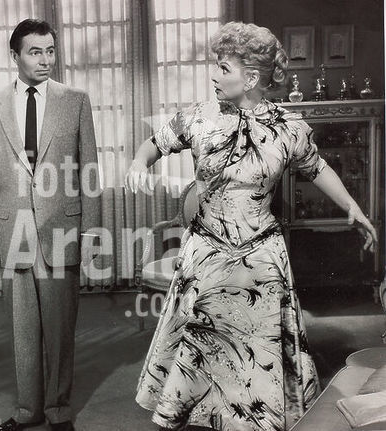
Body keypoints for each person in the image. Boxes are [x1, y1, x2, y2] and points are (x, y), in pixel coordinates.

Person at [126, 21, 377, 431]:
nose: (214, 75)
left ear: (252, 78)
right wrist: (139, 161)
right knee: (201, 350)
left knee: (257, 358)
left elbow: (318, 168)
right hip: (206, 255)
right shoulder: (197, 118)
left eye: (223, 67)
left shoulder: (286, 127)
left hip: (261, 257)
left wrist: (355, 208)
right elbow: (153, 145)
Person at [0, 19, 101, 431]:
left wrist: (91, 231)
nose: (46, 60)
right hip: (12, 230)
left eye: (50, 51)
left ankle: (58, 410)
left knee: (60, 330)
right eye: (35, 52)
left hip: (62, 230)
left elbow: (89, 170)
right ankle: (27, 411)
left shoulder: (75, 101)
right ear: (15, 56)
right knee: (22, 330)